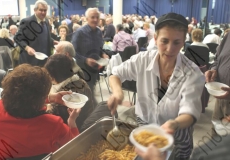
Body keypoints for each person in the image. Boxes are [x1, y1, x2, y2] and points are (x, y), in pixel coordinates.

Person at [108, 13, 205, 159]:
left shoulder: (192, 73)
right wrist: (117, 92)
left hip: (177, 131)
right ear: (155, 38)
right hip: (145, 125)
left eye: (177, 42)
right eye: (164, 41)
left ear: (184, 41)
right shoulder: (143, 59)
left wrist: (174, 124)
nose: (170, 48)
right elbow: (115, 74)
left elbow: (189, 113)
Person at [0, 64, 80, 160]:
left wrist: (51, 98)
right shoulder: (53, 125)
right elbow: (77, 148)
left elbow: (21, 102)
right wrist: (72, 122)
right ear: (40, 98)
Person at [71, 7, 108, 95]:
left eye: (97, 17)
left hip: (94, 69)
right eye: (92, 17)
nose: (95, 20)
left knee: (91, 91)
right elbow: (73, 52)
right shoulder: (80, 33)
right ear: (87, 19)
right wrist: (86, 60)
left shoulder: (99, 32)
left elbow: (99, 48)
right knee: (84, 93)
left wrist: (103, 54)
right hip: (82, 70)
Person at [14, 0, 58, 66]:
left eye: (45, 10)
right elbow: (17, 38)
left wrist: (53, 41)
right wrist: (27, 48)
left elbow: (44, 37)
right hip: (30, 61)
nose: (43, 12)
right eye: (41, 10)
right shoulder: (27, 22)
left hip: (44, 61)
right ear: (35, 10)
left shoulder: (46, 21)